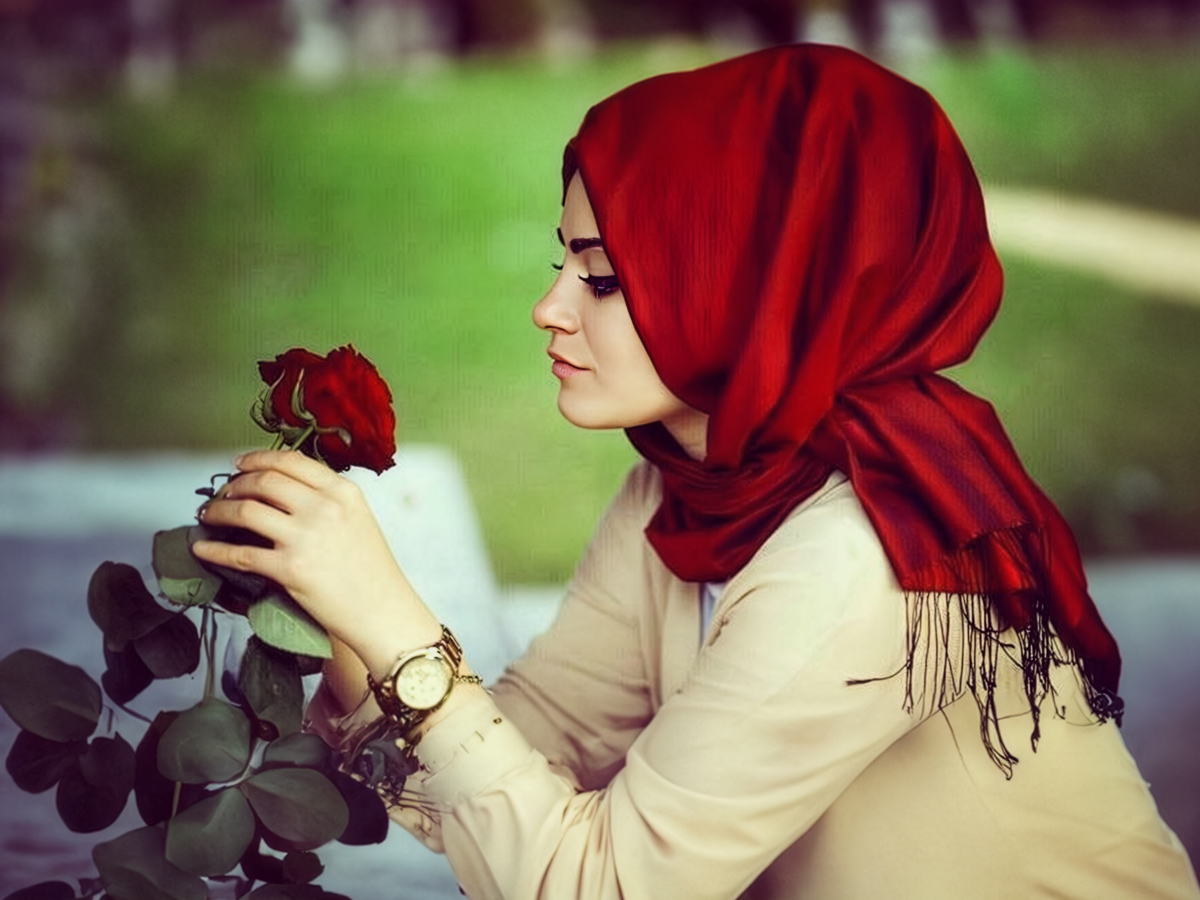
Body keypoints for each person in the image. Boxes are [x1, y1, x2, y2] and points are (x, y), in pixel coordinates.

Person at [192, 44, 1200, 900]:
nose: (550, 308)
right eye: (564, 262)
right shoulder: (691, 490)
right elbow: (521, 763)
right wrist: (339, 630)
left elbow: (600, 885)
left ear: (745, 284)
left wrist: (398, 620)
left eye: (601, 276)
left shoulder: (869, 558)